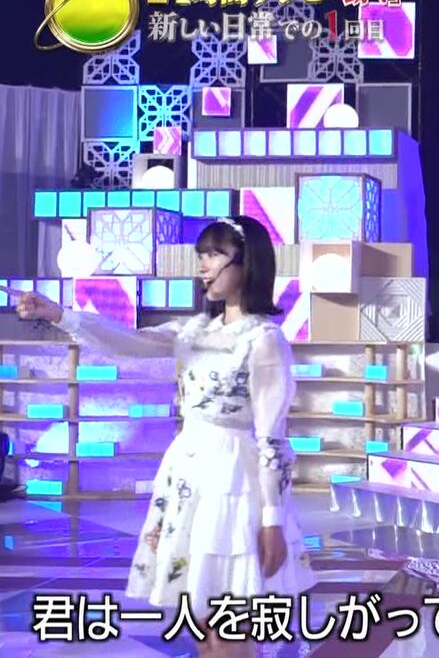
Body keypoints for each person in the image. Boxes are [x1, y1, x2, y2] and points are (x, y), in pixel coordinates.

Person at [12, 216, 315, 657]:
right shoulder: (193, 331)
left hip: (233, 479)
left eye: (215, 255)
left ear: (247, 263)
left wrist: (272, 521)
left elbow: (272, 438)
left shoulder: (264, 339)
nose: (204, 266)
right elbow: (127, 340)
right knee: (202, 619)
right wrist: (59, 315)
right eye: (201, 256)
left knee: (229, 617)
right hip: (187, 471)